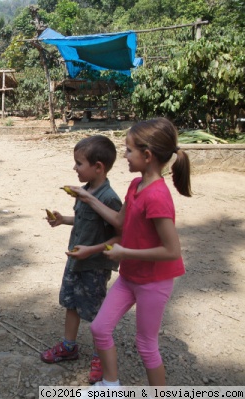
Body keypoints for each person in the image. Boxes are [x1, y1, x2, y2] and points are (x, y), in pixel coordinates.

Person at [73, 117, 191, 387]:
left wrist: (126, 252)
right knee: (99, 328)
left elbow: (172, 251)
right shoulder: (135, 186)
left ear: (147, 155)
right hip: (130, 277)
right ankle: (110, 385)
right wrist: (88, 197)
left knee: (146, 345)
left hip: (154, 283)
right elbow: (119, 222)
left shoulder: (157, 196)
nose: (124, 155)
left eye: (128, 150)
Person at [41, 135, 122, 385]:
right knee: (71, 303)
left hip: (95, 266)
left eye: (79, 163)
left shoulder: (109, 198)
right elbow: (84, 219)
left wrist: (91, 251)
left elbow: (120, 235)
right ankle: (69, 346)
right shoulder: (83, 192)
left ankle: (101, 357)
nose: (74, 168)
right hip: (75, 260)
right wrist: (63, 219)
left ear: (98, 167)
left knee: (96, 313)